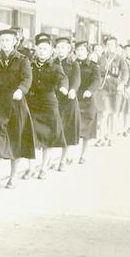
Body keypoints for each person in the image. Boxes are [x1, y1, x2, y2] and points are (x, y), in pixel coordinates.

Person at [0, 28, 35, 190]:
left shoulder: (22, 60)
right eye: (2, 40)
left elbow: (27, 79)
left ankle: (12, 177)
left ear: (14, 42)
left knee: (15, 141)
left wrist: (21, 90)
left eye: (7, 40)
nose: (4, 43)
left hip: (16, 105)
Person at [23, 34, 68, 180]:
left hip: (48, 104)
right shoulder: (29, 64)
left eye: (45, 49)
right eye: (40, 49)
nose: (42, 52)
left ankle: (43, 168)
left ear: (50, 51)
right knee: (30, 136)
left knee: (48, 137)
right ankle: (30, 168)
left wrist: (63, 87)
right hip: (32, 103)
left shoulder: (55, 66)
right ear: (36, 50)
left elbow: (63, 78)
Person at [96, 36, 129, 146]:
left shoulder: (120, 59)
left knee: (113, 114)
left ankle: (110, 137)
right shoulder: (101, 58)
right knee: (104, 113)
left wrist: (122, 83)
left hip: (115, 88)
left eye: (112, 45)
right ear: (105, 46)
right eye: (108, 45)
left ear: (116, 46)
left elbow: (125, 73)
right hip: (103, 87)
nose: (110, 47)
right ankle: (101, 137)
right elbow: (97, 72)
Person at [55, 37, 81, 171]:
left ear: (69, 49)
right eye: (58, 47)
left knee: (67, 131)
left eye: (63, 48)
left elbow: (76, 79)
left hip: (69, 100)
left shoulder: (73, 64)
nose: (60, 50)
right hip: (54, 99)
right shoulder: (52, 62)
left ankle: (63, 159)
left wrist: (72, 90)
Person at [74, 41, 101, 164]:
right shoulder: (73, 65)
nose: (79, 52)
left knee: (87, 130)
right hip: (74, 99)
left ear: (87, 52)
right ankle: (69, 154)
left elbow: (96, 81)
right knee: (73, 127)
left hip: (87, 100)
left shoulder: (93, 66)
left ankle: (83, 155)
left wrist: (90, 91)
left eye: (82, 50)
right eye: (77, 50)